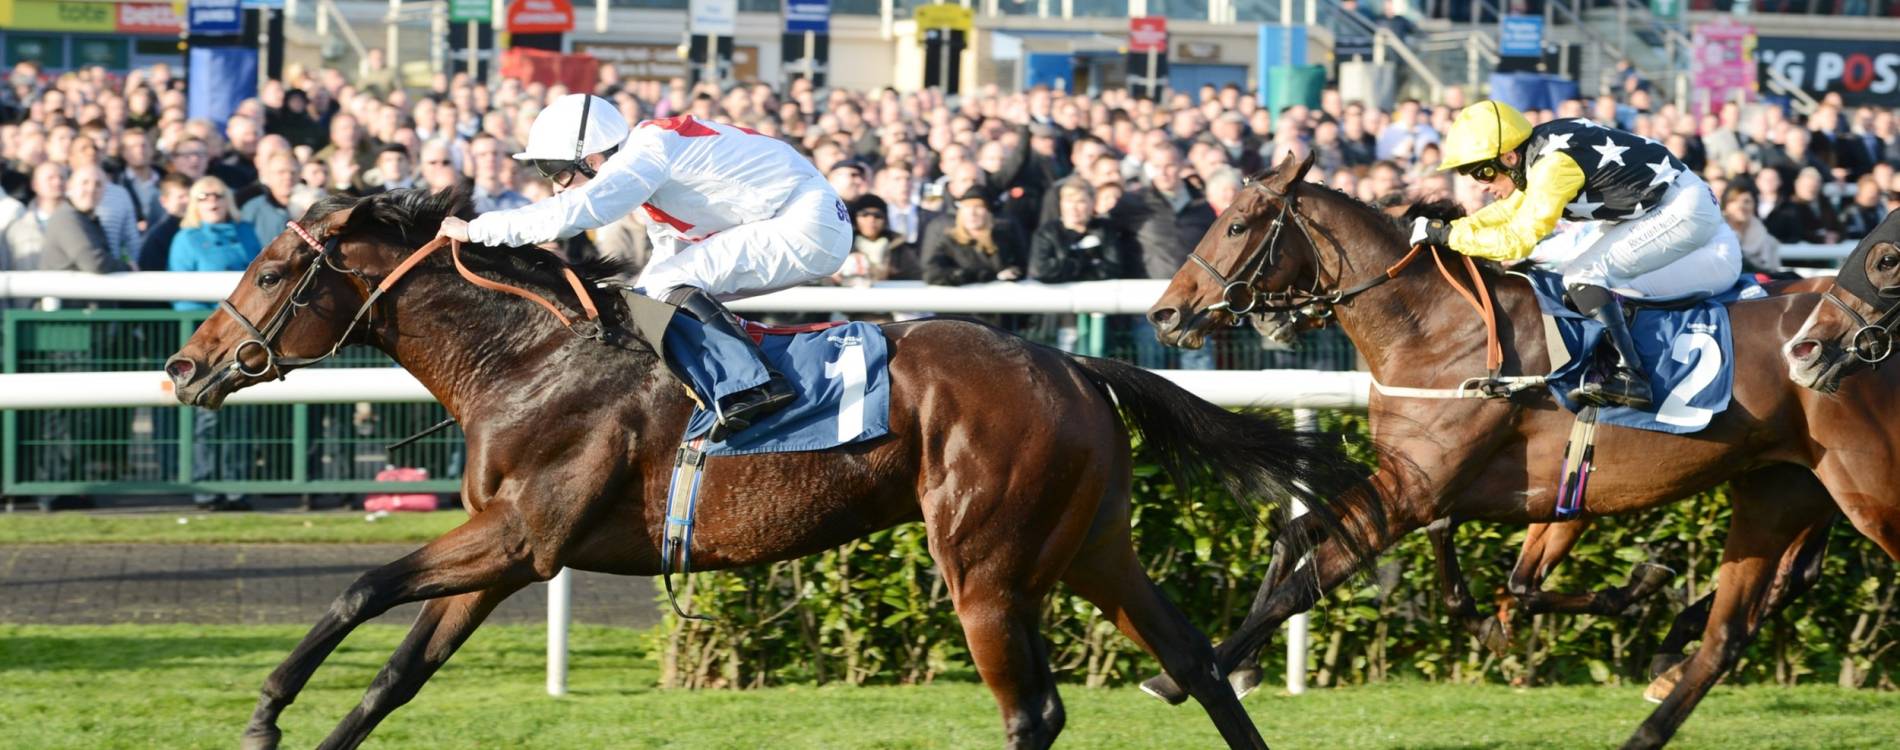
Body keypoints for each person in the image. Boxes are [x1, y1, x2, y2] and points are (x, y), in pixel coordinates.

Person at [434, 94, 851, 440]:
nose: (556, 185)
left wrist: (479, 230)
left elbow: (581, 209)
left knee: (669, 285)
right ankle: (714, 387)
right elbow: (663, 261)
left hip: (805, 221)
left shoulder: (647, 153)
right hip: (800, 218)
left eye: (558, 171)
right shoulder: (649, 167)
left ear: (593, 158)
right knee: (653, 294)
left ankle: (752, 387)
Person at [1412, 100, 1739, 410]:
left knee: (1582, 276)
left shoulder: (1553, 165)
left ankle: (1632, 376)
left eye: (1482, 172)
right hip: (1663, 205)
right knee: (1574, 278)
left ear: (1509, 157)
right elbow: (1509, 210)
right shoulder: (1537, 153)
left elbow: (1517, 241)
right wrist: (1451, 228)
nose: (1480, 184)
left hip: (1682, 208)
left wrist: (1450, 235)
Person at [170, 175, 263, 511]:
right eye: (203, 195)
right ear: (194, 203)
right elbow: (181, 298)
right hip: (206, 343)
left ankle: (237, 488)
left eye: (218, 194)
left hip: (244, 342)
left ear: (228, 200)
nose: (212, 200)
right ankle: (207, 488)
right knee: (208, 416)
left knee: (240, 417)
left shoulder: (247, 233)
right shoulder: (186, 239)